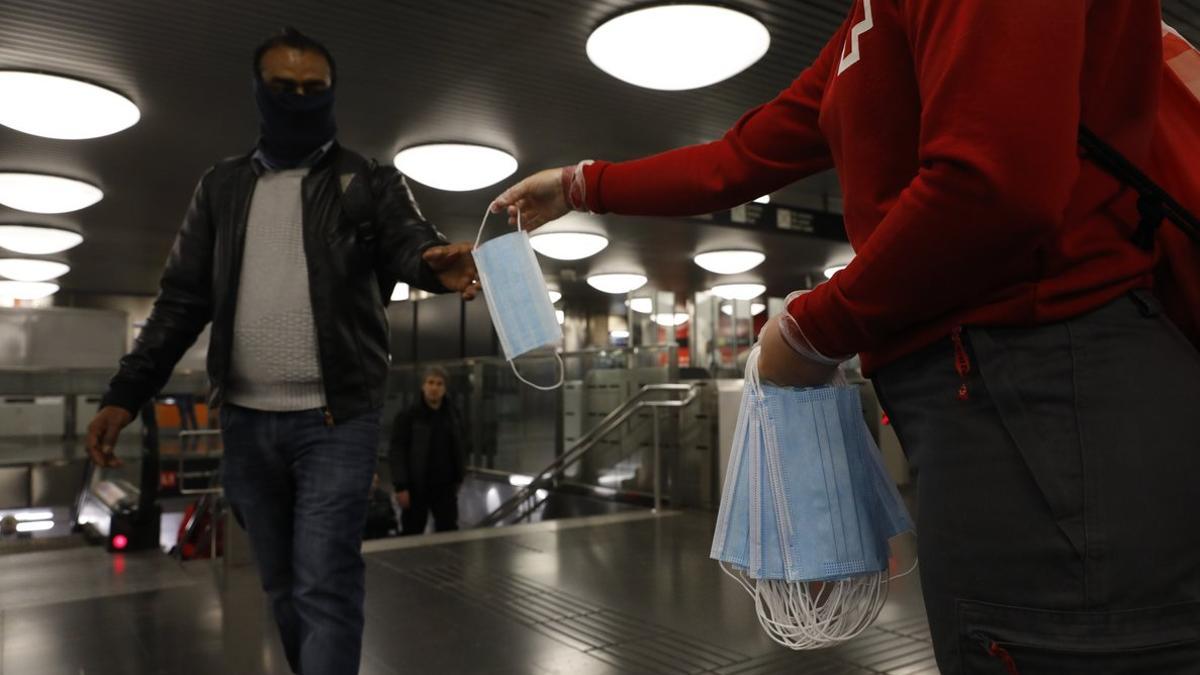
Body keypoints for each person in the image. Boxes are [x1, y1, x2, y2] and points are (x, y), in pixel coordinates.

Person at [492, 3, 1200, 672]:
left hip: (1055, 385)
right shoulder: (868, 21)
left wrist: (809, 331)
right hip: (981, 399)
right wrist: (581, 186)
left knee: (1054, 643)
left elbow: (993, 185)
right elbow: (736, 159)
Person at [84, 27, 479, 675]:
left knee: (324, 584)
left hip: (338, 421)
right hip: (245, 423)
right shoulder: (222, 189)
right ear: (258, 93)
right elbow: (181, 303)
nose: (299, 99)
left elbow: (412, 242)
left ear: (332, 94)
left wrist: (435, 265)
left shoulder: (366, 180)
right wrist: (125, 395)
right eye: (283, 87)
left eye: (313, 89)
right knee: (282, 586)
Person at [390, 366, 468, 535]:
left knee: (448, 532)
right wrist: (401, 486)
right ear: (423, 386)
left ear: (445, 388)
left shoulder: (453, 415)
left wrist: (459, 475)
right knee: (412, 533)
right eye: (430, 382)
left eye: (439, 384)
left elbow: (461, 445)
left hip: (445, 487)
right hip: (416, 487)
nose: (434, 388)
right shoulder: (408, 416)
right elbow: (397, 451)